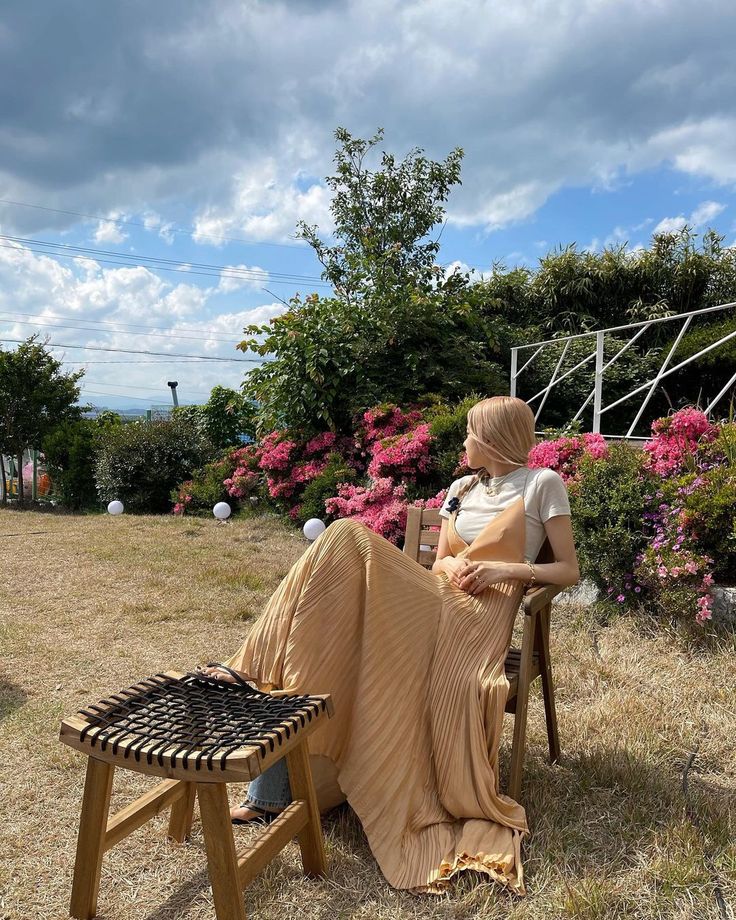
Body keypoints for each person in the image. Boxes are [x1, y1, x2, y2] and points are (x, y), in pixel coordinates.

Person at [202, 396, 579, 895]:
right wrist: (450, 566)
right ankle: (270, 778)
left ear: (492, 437)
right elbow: (441, 560)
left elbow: (568, 571)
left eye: (470, 432)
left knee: (343, 536)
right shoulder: (461, 488)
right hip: (434, 599)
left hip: (477, 620)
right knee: (324, 624)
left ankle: (245, 666)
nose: (463, 442)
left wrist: (504, 569)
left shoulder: (542, 484)